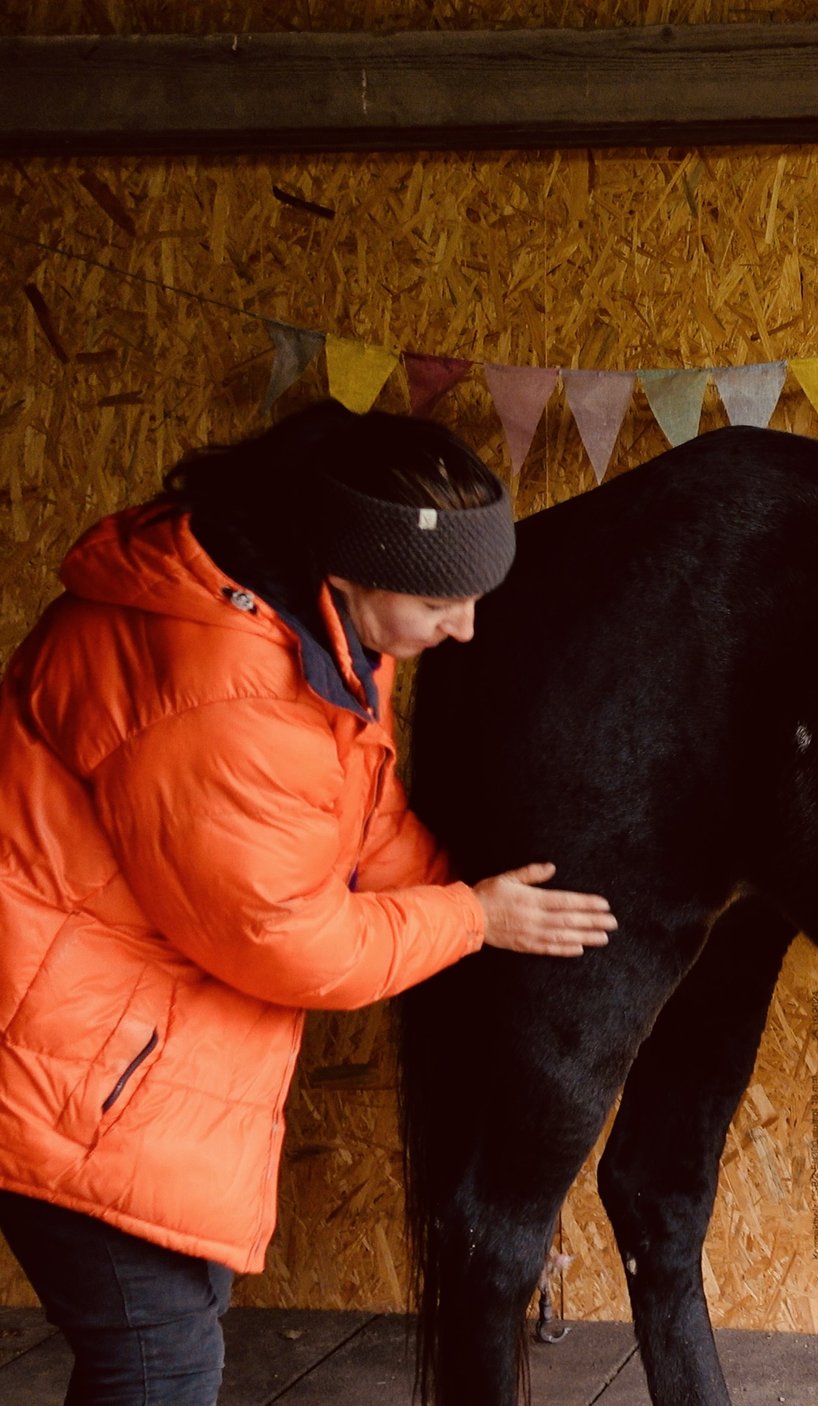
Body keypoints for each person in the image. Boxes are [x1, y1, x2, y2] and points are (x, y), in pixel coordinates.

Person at [0, 402, 616, 1404]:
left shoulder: (308, 629)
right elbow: (290, 939)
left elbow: (356, 809)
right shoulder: (225, 686)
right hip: (70, 1062)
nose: (463, 629)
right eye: (445, 603)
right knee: (159, 1363)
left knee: (156, 1346)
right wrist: (472, 918)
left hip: (120, 1046)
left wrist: (474, 887)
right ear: (361, 565)